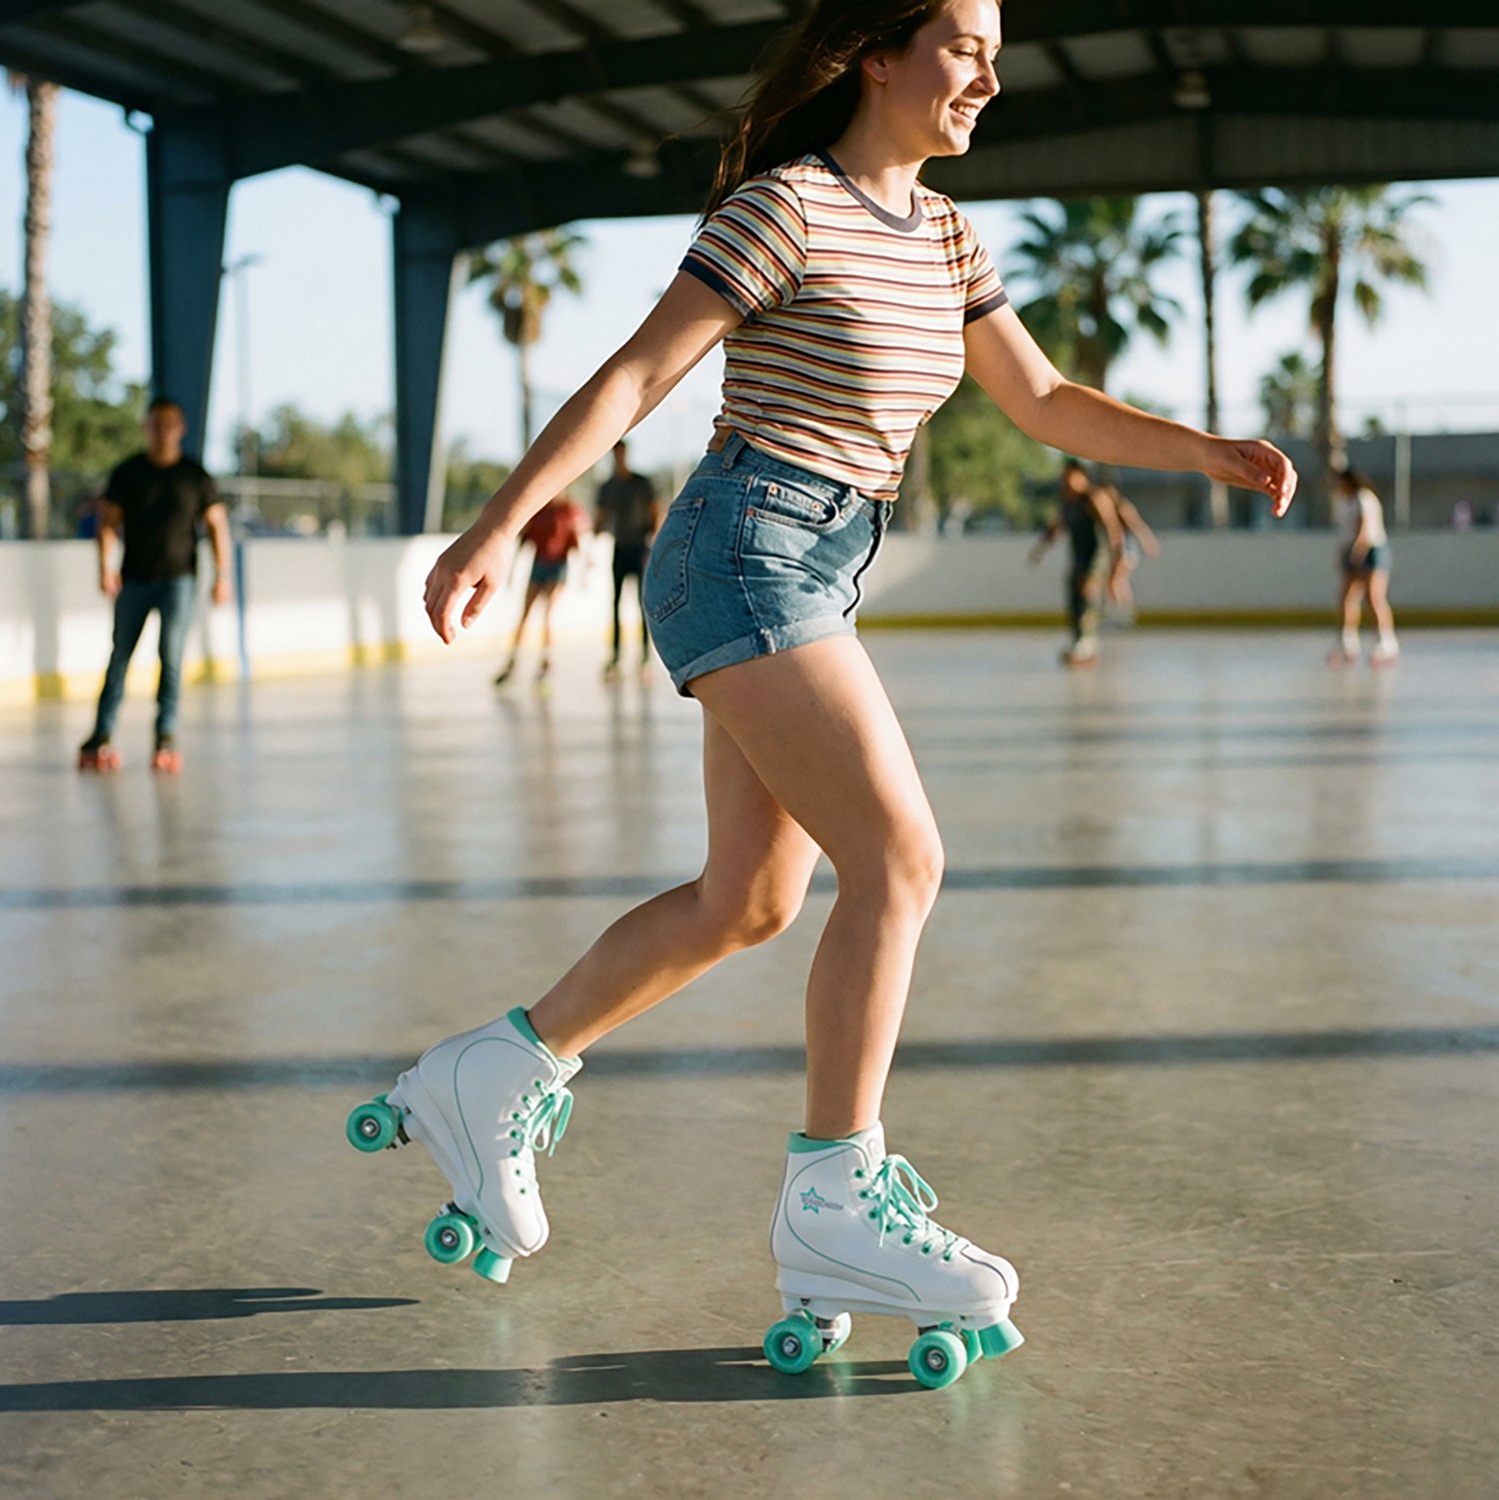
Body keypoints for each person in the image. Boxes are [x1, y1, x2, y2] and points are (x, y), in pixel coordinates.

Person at [347, 0, 1296, 1386]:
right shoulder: (786, 205)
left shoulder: (950, 233)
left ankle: (493, 1072)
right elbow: (636, 374)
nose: (986, 72)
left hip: (812, 562)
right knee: (900, 857)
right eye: (961, 43)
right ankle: (836, 1196)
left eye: (993, 50)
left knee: (750, 899)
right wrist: (499, 520)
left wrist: (1201, 450)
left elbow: (1041, 400)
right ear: (875, 51)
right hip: (746, 543)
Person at [77, 397, 230, 774]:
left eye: (170, 423)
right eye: (156, 422)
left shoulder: (195, 476)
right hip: (134, 579)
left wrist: (222, 576)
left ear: (181, 428)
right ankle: (101, 733)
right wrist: (105, 567)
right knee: (120, 656)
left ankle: (165, 735)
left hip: (179, 579)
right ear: (147, 427)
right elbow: (109, 523)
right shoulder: (129, 473)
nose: (163, 429)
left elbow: (216, 526)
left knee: (171, 655)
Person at [1028, 460, 1124, 666]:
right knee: (1074, 597)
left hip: (1096, 556)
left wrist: (1114, 565)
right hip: (1079, 557)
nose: (1067, 482)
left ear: (1081, 475)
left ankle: (1087, 642)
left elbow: (1112, 531)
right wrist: (1040, 550)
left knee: (1087, 596)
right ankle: (1079, 641)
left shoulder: (1094, 498)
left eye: (1070, 477)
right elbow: (1057, 526)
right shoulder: (1067, 500)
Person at [493, 492, 588, 691]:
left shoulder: (567, 510)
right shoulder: (538, 510)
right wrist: (510, 572)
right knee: (524, 615)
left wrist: (582, 571)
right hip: (539, 565)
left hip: (558, 567)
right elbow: (524, 540)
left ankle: (547, 662)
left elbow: (576, 540)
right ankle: (513, 660)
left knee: (548, 614)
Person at [594, 438, 659, 681]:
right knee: (616, 603)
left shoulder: (641, 483)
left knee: (643, 604)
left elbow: (655, 509)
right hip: (619, 548)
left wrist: (654, 540)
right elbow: (600, 516)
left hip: (640, 549)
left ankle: (644, 659)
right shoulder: (608, 486)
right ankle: (615, 657)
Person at [1328, 466, 1398, 667]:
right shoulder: (1345, 502)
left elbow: (1364, 526)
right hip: (1352, 549)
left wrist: (1357, 551)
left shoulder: (1364, 498)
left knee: (1373, 597)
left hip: (1371, 550)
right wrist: (1344, 552)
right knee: (1347, 597)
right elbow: (1346, 530)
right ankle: (1347, 642)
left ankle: (1386, 642)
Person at [1104, 482, 1161, 615]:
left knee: (1115, 580)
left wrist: (1149, 542)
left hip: (1127, 547)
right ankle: (1123, 613)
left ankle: (1121, 614)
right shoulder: (1110, 508)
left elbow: (1138, 526)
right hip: (1122, 548)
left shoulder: (1122, 507)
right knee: (1119, 581)